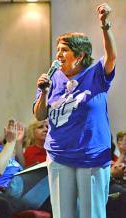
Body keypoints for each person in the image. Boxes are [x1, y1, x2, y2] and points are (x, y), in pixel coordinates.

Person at [33, 3, 117, 218]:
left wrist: (104, 25)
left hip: (91, 156)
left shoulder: (96, 74)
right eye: (58, 49)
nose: (58, 54)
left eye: (64, 50)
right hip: (59, 154)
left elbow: (111, 57)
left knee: (92, 214)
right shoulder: (51, 77)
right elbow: (39, 115)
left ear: (79, 56)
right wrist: (43, 91)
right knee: (63, 214)